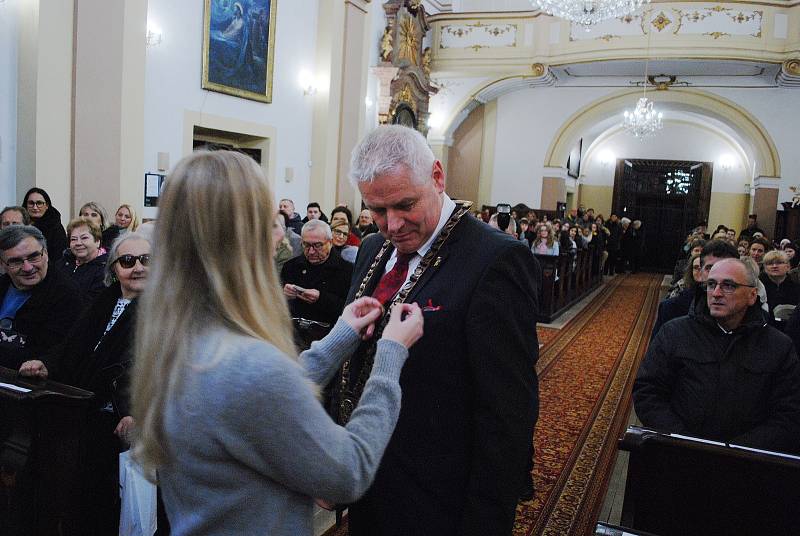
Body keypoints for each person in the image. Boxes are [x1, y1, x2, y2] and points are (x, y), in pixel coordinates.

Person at [130, 150, 424, 536]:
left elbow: (258, 402)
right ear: (240, 240)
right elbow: (348, 471)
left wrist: (340, 336)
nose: (282, 236)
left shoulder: (184, 337)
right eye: (271, 223)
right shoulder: (251, 366)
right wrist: (389, 356)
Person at [335, 125, 540, 535]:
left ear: (437, 177)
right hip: (369, 476)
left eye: (404, 204)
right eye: (376, 210)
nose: (391, 225)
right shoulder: (375, 249)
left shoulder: (495, 260)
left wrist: (486, 521)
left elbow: (507, 413)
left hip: (440, 495)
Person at [20, 232, 152, 535]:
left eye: (146, 260)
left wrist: (138, 411)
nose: (138, 268)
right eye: (128, 261)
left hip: (120, 418)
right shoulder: (104, 301)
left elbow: (160, 369)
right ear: (114, 268)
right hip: (84, 406)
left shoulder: (165, 309)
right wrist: (47, 363)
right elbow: (73, 345)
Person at [634, 258, 800, 453]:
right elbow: (647, 391)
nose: (716, 293)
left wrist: (738, 450)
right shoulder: (674, 333)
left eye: (728, 286)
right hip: (678, 453)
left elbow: (789, 412)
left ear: (752, 295)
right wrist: (682, 440)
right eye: (711, 284)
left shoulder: (777, 345)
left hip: (746, 464)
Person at [0, 225, 81, 369]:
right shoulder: (3, 285)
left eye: (34, 257)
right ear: (2, 264)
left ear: (46, 253)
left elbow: (48, 354)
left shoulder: (67, 296)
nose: (27, 267)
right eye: (16, 261)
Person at [651, 240, 739, 339]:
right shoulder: (672, 309)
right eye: (709, 268)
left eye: (724, 268)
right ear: (700, 273)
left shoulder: (745, 314)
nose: (716, 274)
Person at [280, 219, 353, 330]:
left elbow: (349, 309)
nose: (311, 251)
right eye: (306, 245)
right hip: (293, 333)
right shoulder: (290, 267)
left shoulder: (347, 270)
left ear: (330, 242)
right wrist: (283, 294)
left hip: (329, 334)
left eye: (318, 245)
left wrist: (321, 298)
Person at [56, 218, 108, 301]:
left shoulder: (105, 269)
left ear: (97, 241)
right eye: (73, 239)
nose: (78, 243)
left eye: (84, 238)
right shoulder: (63, 262)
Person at [23, 187, 67, 260]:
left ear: (46, 205)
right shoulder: (20, 225)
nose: (35, 207)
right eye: (31, 203)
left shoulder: (56, 228)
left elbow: (59, 257)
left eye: (39, 203)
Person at [760, 250, 800, 328]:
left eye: (779, 263)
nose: (774, 266)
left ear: (788, 266)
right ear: (765, 267)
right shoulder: (759, 288)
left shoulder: (796, 288)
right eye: (770, 263)